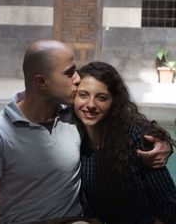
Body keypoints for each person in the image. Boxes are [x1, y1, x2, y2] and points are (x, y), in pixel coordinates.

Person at [0, 39, 172, 224]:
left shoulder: (74, 116)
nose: (78, 78)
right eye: (70, 73)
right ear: (41, 82)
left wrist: (163, 142)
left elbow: (123, 119)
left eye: (75, 70)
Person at [74, 61, 176, 224]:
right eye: (83, 95)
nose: (91, 104)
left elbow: (169, 208)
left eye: (101, 97)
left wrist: (166, 144)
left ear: (114, 102)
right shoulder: (75, 137)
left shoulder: (135, 139)